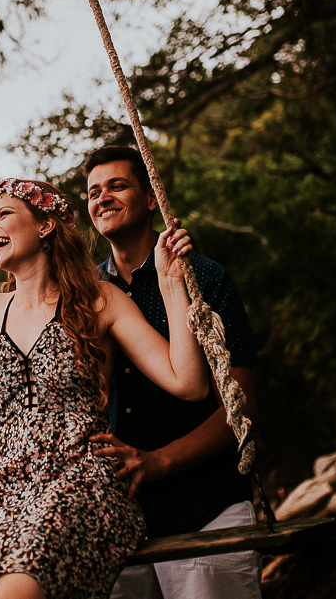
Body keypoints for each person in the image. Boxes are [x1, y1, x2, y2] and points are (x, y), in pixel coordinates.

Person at [0, 177, 210, 599]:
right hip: (4, 484)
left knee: (15, 595)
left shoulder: (101, 299)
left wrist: (172, 286)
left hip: (81, 478)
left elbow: (188, 383)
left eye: (3, 214)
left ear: (45, 225)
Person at [83, 146, 262, 599]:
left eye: (117, 185)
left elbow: (241, 409)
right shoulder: (85, 297)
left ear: (149, 198)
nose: (103, 198)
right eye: (93, 192)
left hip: (205, 507)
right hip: (119, 523)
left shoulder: (203, 277)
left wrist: (159, 461)